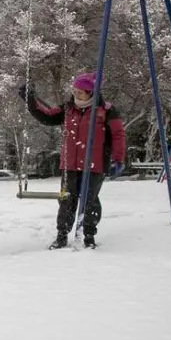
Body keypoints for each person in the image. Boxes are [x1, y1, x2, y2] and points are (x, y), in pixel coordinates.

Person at [19, 71, 126, 250]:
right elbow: (46, 116)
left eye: (81, 91)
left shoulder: (106, 110)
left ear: (91, 92)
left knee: (89, 200)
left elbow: (118, 134)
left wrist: (118, 159)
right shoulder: (67, 109)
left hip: (95, 165)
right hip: (70, 164)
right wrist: (31, 100)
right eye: (75, 90)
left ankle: (89, 236)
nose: (76, 94)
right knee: (66, 200)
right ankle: (62, 235)